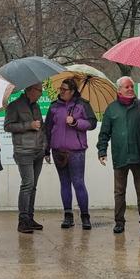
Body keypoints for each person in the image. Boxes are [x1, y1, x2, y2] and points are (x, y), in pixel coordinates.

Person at [97, 76, 140, 235]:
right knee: (119, 192)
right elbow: (104, 133)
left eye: (131, 86)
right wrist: (102, 151)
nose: (130, 89)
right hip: (120, 156)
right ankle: (119, 222)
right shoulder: (111, 109)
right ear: (119, 90)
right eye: (127, 87)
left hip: (139, 156)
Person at [43, 77, 95, 229]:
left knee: (78, 182)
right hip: (58, 150)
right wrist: (46, 150)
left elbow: (91, 123)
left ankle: (85, 216)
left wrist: (76, 122)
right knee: (64, 183)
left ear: (72, 91)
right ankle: (68, 215)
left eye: (65, 90)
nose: (61, 92)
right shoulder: (54, 106)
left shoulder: (82, 104)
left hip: (76, 151)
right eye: (61, 89)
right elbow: (48, 128)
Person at [5, 83, 46, 234]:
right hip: (23, 151)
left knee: (33, 186)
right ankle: (22, 221)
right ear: (30, 90)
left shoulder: (36, 106)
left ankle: (30, 218)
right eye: (39, 90)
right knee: (27, 184)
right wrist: (29, 125)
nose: (41, 93)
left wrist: (44, 146)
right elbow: (8, 126)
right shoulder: (14, 106)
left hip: (38, 151)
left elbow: (41, 128)